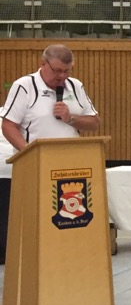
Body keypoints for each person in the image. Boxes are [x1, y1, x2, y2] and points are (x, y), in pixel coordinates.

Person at [1, 44, 102, 264]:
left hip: (71, 171)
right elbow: (8, 125)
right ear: (43, 64)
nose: (62, 76)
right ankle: (35, 263)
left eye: (67, 71)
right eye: (57, 71)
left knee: (69, 218)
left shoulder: (75, 86)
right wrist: (29, 153)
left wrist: (71, 118)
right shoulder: (25, 86)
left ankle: (67, 261)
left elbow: (94, 122)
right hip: (34, 167)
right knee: (38, 220)